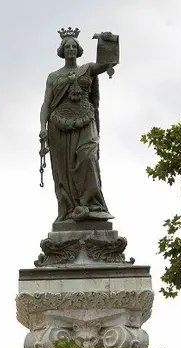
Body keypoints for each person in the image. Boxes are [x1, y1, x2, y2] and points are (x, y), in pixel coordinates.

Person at [39, 28, 116, 224]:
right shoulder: (53, 77)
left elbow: (106, 63)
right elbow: (46, 104)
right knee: (63, 171)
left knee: (87, 158)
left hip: (85, 123)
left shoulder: (87, 69)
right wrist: (43, 127)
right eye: (68, 47)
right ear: (62, 51)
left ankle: (91, 205)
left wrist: (107, 42)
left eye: (74, 46)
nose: (71, 49)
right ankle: (71, 209)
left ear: (78, 49)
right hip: (59, 125)